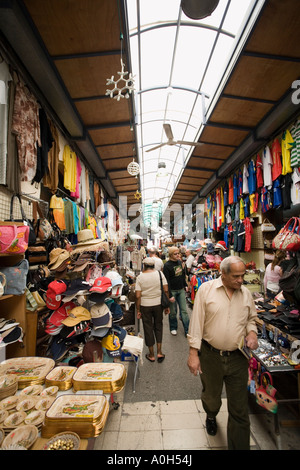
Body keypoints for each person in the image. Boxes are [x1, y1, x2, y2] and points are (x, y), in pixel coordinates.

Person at [187, 256, 258, 450]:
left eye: (242, 275)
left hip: (238, 357)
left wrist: (252, 332)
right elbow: (196, 323)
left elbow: (252, 318)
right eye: (236, 276)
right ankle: (211, 415)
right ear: (223, 274)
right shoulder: (206, 290)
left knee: (239, 409)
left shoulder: (245, 294)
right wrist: (194, 353)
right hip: (211, 356)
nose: (241, 280)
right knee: (212, 398)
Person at [135, 257, 170, 362]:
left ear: (144, 265)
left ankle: (151, 354)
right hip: (158, 304)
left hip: (145, 306)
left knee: (148, 328)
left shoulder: (140, 277)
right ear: (153, 265)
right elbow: (166, 290)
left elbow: (137, 296)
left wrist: (138, 310)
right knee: (158, 326)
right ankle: (159, 352)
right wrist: (167, 306)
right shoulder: (160, 274)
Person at [163, 246, 189, 336]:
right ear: (170, 255)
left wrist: (185, 285)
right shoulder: (167, 266)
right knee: (173, 312)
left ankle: (187, 330)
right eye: (175, 254)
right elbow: (166, 281)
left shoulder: (179, 262)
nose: (178, 255)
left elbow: (182, 275)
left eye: (178, 253)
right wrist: (169, 295)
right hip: (173, 291)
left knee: (184, 311)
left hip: (181, 290)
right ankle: (173, 327)